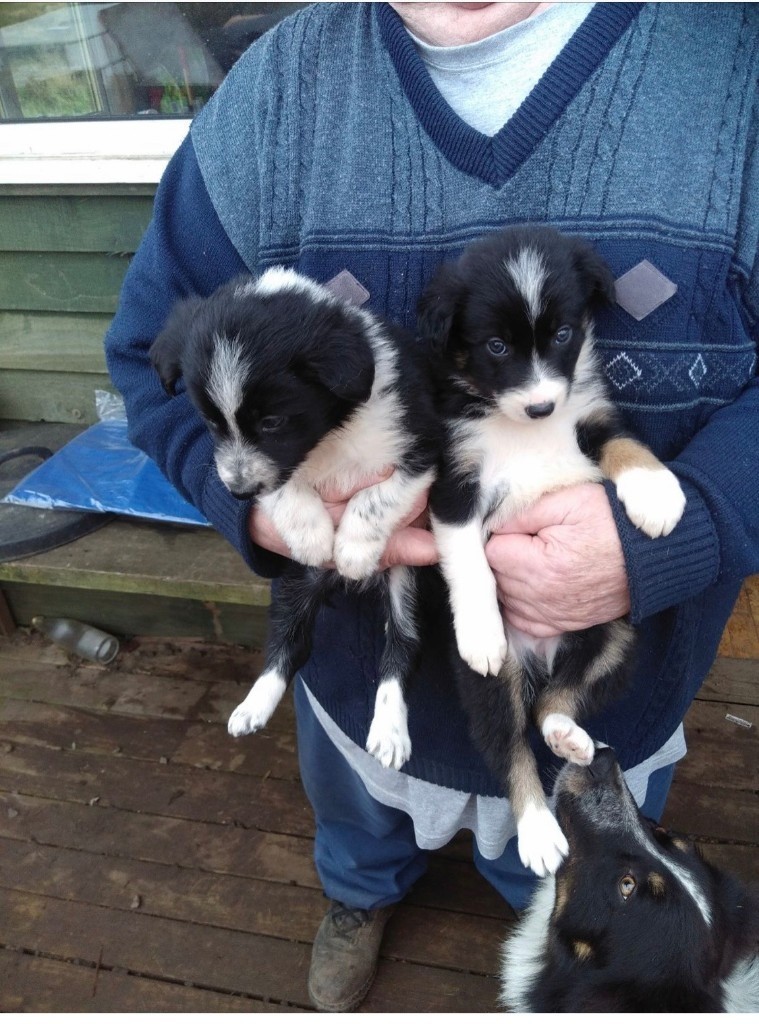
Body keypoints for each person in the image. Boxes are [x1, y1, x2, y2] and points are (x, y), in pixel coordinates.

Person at [105, 2, 759, 1012]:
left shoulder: (734, 63)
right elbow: (150, 354)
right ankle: (360, 893)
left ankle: (534, 910)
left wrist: (690, 525)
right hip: (358, 687)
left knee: (552, 870)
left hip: (597, 705)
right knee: (357, 818)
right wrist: (264, 508)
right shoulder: (273, 94)